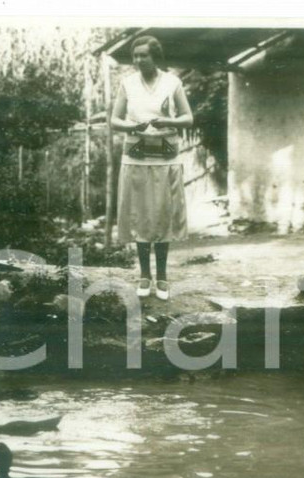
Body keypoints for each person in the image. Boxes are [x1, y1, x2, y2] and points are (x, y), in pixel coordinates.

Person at [110, 35, 193, 300]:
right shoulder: (127, 83)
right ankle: (144, 275)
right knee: (140, 215)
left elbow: (188, 118)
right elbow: (115, 119)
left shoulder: (172, 82)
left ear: (155, 56)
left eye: (143, 55)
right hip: (135, 155)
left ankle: (163, 277)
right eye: (135, 56)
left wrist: (168, 120)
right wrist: (132, 127)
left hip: (166, 155)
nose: (138, 60)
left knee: (163, 214)